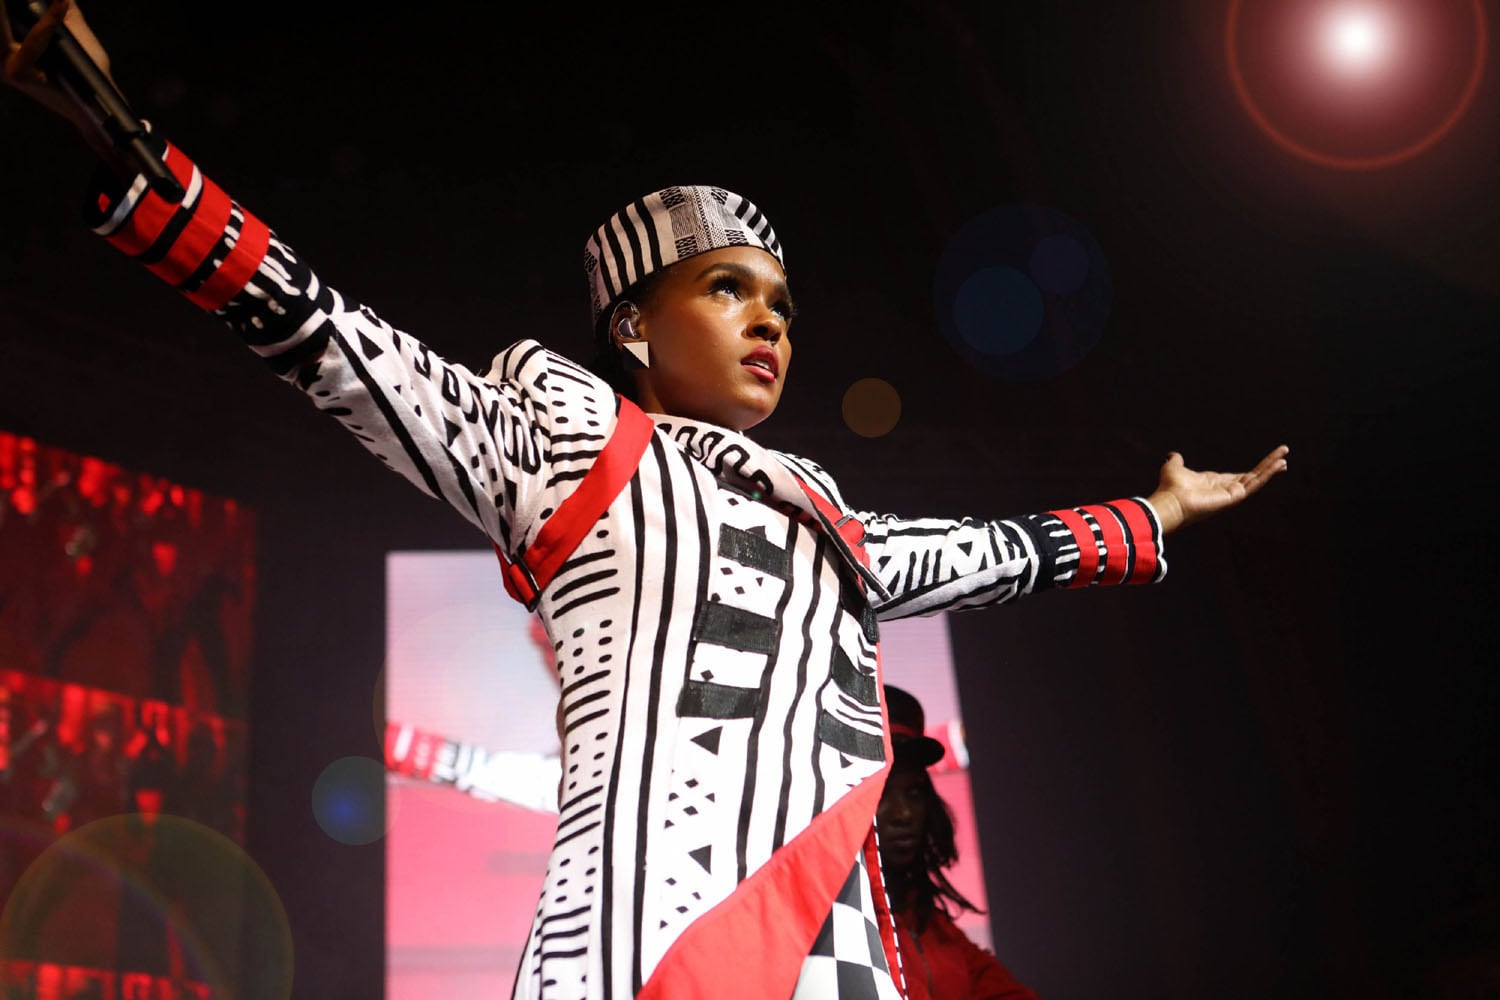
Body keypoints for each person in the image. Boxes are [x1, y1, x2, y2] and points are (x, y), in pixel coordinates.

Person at [2, 6, 1290, 998]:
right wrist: (130, 146)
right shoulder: (565, 442)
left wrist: (1156, 515)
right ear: (634, 319)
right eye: (728, 290)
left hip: (832, 953)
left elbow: (988, 550)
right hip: (639, 945)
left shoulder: (829, 516)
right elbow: (333, 338)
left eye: (782, 303)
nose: (769, 322)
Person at [878, 685, 1038, 1000]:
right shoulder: (828, 923)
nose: (904, 813)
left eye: (914, 792)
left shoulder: (928, 922)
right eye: (882, 792)